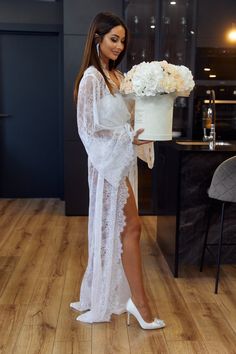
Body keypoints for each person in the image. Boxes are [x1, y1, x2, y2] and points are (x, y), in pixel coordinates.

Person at [70, 12, 165, 330]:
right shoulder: (91, 79)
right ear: (97, 38)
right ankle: (141, 305)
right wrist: (127, 138)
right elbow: (87, 130)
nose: (119, 46)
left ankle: (129, 299)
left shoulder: (119, 77)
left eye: (122, 41)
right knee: (132, 230)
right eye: (114, 39)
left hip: (123, 165)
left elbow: (129, 122)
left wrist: (145, 129)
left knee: (127, 231)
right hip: (107, 167)